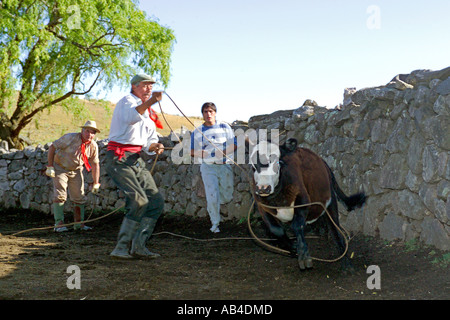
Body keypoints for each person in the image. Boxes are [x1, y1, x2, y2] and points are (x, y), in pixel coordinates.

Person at [106, 73, 165, 259]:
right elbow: (132, 117)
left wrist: (155, 146)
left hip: (135, 159)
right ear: (134, 86)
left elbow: (149, 140)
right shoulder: (126, 102)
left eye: (151, 86)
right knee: (139, 200)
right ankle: (121, 248)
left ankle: (139, 246)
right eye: (145, 85)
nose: (149, 89)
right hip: (119, 159)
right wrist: (151, 102)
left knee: (155, 202)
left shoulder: (148, 113)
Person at [46, 120, 101, 232]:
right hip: (60, 167)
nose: (89, 134)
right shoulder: (70, 138)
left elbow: (95, 164)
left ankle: (79, 224)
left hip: (76, 170)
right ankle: (59, 224)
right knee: (60, 194)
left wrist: (96, 183)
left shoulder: (93, 146)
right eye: (87, 131)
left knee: (79, 196)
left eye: (92, 132)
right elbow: (52, 147)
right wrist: (50, 166)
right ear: (82, 131)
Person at [190, 102, 237, 233]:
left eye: (211, 111)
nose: (208, 114)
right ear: (202, 114)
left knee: (227, 195)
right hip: (208, 167)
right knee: (212, 195)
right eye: (205, 112)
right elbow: (191, 151)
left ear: (215, 113)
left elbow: (233, 144)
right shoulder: (198, 131)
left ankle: (218, 203)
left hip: (224, 165)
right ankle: (215, 224)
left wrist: (224, 152)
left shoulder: (224, 127)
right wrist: (201, 153)